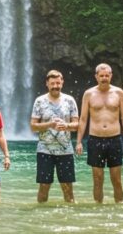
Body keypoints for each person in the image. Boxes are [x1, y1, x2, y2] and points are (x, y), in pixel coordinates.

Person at [75, 63, 123, 203]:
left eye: (107, 75)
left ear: (111, 76)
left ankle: (119, 207)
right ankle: (98, 208)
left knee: (116, 179)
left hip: (115, 139)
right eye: (101, 76)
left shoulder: (119, 93)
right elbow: (83, 119)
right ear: (96, 77)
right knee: (97, 179)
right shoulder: (89, 94)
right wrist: (78, 142)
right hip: (95, 139)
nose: (104, 78)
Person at [30, 69, 79, 203]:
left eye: (58, 83)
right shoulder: (39, 101)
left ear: (62, 82)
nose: (55, 86)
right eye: (52, 83)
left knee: (68, 188)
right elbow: (33, 126)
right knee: (44, 187)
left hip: (66, 150)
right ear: (47, 83)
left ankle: (70, 218)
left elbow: (77, 124)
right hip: (44, 150)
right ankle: (40, 217)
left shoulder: (70, 100)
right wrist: (50, 124)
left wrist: (67, 126)